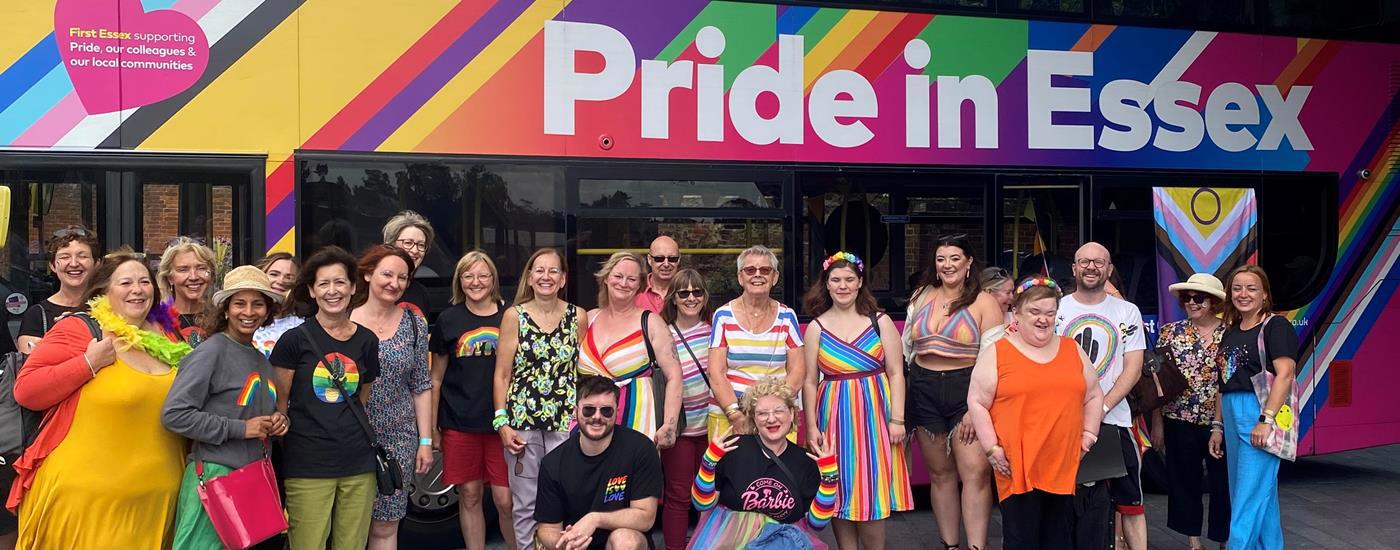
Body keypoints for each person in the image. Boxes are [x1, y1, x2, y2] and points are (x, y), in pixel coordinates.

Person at [7, 248, 193, 549]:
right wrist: (88, 363)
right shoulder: (81, 329)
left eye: (144, 282)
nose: (137, 290)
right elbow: (26, 390)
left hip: (155, 501)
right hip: (87, 501)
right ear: (104, 291)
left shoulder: (169, 336)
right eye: (126, 282)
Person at [966, 277, 1105, 549]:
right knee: (1022, 540)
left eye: (1050, 313)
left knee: (1059, 539)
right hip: (1017, 468)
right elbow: (977, 402)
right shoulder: (998, 353)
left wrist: (1088, 435)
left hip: (1063, 465)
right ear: (1016, 312)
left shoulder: (1072, 349)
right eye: (1035, 312)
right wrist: (992, 448)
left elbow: (1094, 394)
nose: (1043, 319)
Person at [161, 266, 290, 549]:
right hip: (215, 479)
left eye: (258, 304)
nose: (249, 311)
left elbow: (255, 415)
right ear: (226, 309)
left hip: (252, 482)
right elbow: (174, 414)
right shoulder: (211, 351)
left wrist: (280, 421)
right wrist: (242, 429)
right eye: (239, 303)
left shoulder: (260, 358)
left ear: (267, 311)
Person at [270, 246, 382, 550]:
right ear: (312, 290)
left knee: (352, 545)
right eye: (323, 284)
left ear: (353, 287)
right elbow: (281, 406)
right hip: (308, 463)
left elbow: (362, 398)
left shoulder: (367, 341)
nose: (333, 291)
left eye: (340, 282)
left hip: (358, 462)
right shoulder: (293, 341)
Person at [800, 251, 913, 550]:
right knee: (839, 487)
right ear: (826, 284)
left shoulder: (881, 322)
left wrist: (897, 419)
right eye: (835, 280)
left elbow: (896, 374)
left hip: (875, 414)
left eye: (849, 279)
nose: (842, 285)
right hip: (833, 416)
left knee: (872, 488)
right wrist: (810, 427)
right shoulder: (816, 328)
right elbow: (809, 381)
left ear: (860, 282)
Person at [901, 235, 1004, 550]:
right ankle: (950, 545)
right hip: (923, 388)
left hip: (968, 389)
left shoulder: (985, 302)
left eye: (955, 258)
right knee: (940, 474)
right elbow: (907, 347)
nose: (947, 265)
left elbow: (992, 359)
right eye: (941, 259)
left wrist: (977, 407)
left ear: (969, 261)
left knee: (974, 475)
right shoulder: (921, 295)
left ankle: (977, 546)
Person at [492, 248, 588, 550]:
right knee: (525, 502)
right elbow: (502, 375)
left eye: (553, 271)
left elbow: (582, 372)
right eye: (539, 270)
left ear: (562, 279)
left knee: (568, 495)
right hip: (522, 423)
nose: (546, 276)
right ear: (530, 277)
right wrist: (502, 423)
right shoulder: (514, 316)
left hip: (566, 422)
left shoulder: (578, 316)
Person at [1055, 242, 1148, 550]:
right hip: (1063, 422)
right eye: (1084, 261)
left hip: (1115, 421)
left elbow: (1133, 369)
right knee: (1063, 499)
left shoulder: (1127, 311)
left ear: (1109, 270)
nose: (1091, 267)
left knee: (1130, 503)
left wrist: (1102, 407)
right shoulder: (1056, 309)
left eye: (1099, 262)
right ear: (1074, 268)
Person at [689, 377, 839, 549]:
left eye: (778, 411)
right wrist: (708, 463)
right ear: (753, 418)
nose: (771, 419)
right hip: (731, 541)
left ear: (791, 414)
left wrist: (829, 479)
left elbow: (816, 524)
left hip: (783, 543)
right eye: (762, 413)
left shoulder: (805, 461)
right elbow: (701, 504)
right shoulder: (734, 448)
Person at [429, 250, 514, 550]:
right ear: (459, 280)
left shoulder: (511, 316)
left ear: (493, 279)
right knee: (470, 494)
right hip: (459, 422)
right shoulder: (449, 320)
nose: (475, 282)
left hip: (503, 424)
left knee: (506, 499)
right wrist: (432, 427)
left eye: (482, 275)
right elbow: (436, 378)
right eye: (468, 276)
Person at [351, 245, 434, 549]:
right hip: (349, 436)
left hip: (399, 439)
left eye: (402, 277)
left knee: (386, 525)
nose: (394, 283)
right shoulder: (344, 318)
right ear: (368, 273)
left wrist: (425, 441)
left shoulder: (414, 324)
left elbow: (421, 384)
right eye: (387, 274)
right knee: (348, 522)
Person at [1208, 265, 1296, 550]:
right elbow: (1224, 383)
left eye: (1251, 288)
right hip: (1233, 414)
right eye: (1237, 288)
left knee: (1247, 497)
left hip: (1257, 410)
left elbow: (1285, 374)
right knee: (1258, 496)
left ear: (1265, 295)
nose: (1243, 294)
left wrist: (1266, 419)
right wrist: (1218, 426)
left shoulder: (1275, 326)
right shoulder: (1231, 332)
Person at [535, 374, 664, 550]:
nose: (597, 417)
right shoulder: (553, 463)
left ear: (617, 412)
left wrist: (595, 519)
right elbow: (547, 528)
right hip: (578, 545)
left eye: (606, 410)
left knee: (625, 540)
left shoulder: (641, 449)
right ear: (575, 411)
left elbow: (646, 517)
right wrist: (566, 543)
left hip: (620, 542)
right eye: (588, 409)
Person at [1153, 273, 1231, 549]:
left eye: (1199, 298)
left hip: (1218, 423)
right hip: (1178, 419)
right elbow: (1158, 382)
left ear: (1213, 303)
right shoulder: (1170, 332)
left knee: (1223, 483)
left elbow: (1229, 382)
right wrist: (1157, 423)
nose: (1192, 303)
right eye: (1187, 298)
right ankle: (1193, 540)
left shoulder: (1229, 333)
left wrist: (1219, 426)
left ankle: (1223, 538)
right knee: (1183, 481)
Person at [580, 251, 683, 446]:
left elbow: (674, 375)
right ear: (606, 278)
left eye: (631, 279)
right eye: (618, 276)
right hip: (587, 423)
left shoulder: (651, 322)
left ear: (640, 285)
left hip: (636, 423)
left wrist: (669, 424)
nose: (624, 283)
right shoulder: (588, 318)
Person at [708, 245, 805, 438]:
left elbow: (798, 371)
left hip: (776, 419)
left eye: (765, 270)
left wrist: (772, 411)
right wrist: (735, 414)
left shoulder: (787, 316)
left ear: (775, 277)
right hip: (729, 417)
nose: (757, 275)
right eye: (750, 270)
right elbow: (716, 372)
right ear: (740, 278)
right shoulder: (723, 316)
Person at [657, 268, 715, 550]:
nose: (691, 298)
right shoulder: (663, 333)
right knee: (678, 496)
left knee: (711, 495)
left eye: (697, 292)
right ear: (674, 299)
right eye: (684, 293)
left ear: (705, 297)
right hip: (680, 428)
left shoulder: (716, 331)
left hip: (714, 427)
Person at [17, 226, 99, 353]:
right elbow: (31, 368)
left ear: (97, 263)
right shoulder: (37, 315)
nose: (74, 263)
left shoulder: (113, 308)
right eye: (65, 257)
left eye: (82, 256)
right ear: (53, 266)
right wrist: (62, 331)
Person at [158, 237, 218, 347]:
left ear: (211, 274)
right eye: (183, 269)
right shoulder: (158, 322)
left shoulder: (222, 318)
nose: (194, 277)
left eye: (201, 268)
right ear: (170, 278)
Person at [382, 210, 435, 317]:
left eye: (421, 245)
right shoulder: (373, 287)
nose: (415, 250)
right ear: (390, 244)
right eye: (408, 243)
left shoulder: (421, 293)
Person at [254, 252, 305, 357]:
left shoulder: (303, 324)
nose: (281, 281)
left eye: (289, 277)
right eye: (274, 274)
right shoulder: (244, 318)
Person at [636, 235, 681, 313]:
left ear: (679, 260)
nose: (666, 264)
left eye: (672, 259)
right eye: (659, 259)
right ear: (649, 260)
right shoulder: (634, 289)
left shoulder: (691, 292)